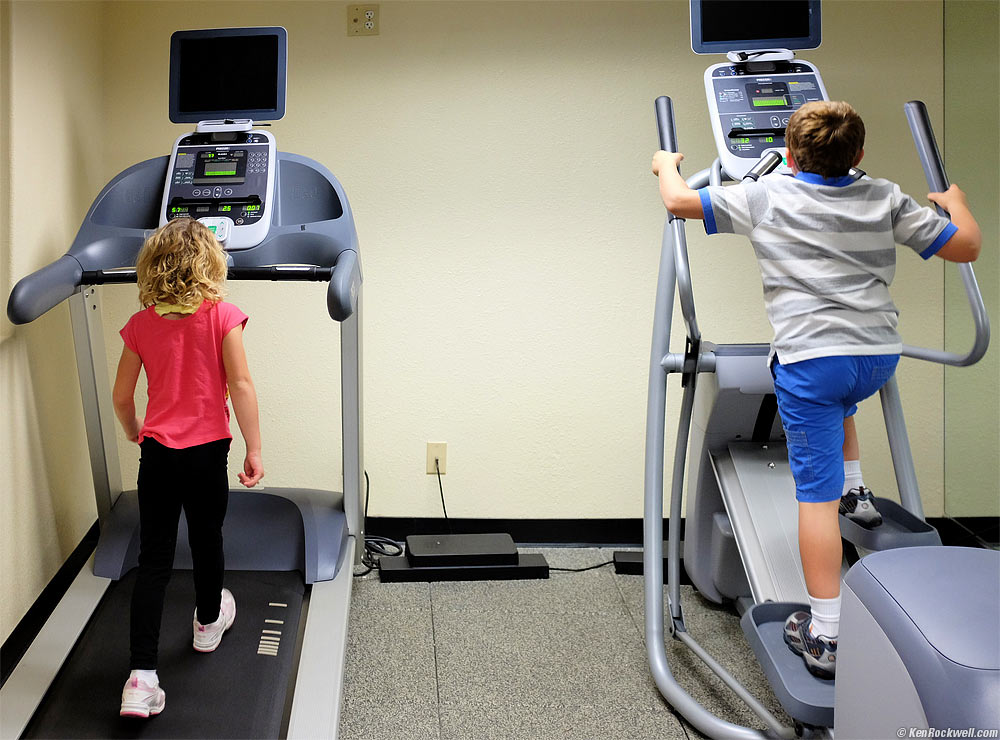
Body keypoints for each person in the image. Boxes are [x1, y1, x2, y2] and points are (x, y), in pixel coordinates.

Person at [651, 100, 981, 679]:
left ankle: (827, 633)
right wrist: (956, 206)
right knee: (842, 405)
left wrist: (666, 163)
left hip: (811, 363)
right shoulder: (884, 195)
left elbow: (679, 201)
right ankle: (856, 492)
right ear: (857, 154)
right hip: (877, 356)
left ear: (790, 149)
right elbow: (965, 246)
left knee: (814, 498)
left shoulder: (766, 194)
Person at [112, 218, 265, 717]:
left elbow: (120, 397)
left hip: (157, 455)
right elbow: (240, 386)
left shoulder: (139, 326)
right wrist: (254, 450)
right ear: (211, 264)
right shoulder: (224, 317)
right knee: (206, 540)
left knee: (154, 559)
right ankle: (205, 623)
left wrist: (136, 426)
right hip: (207, 455)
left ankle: (141, 678)